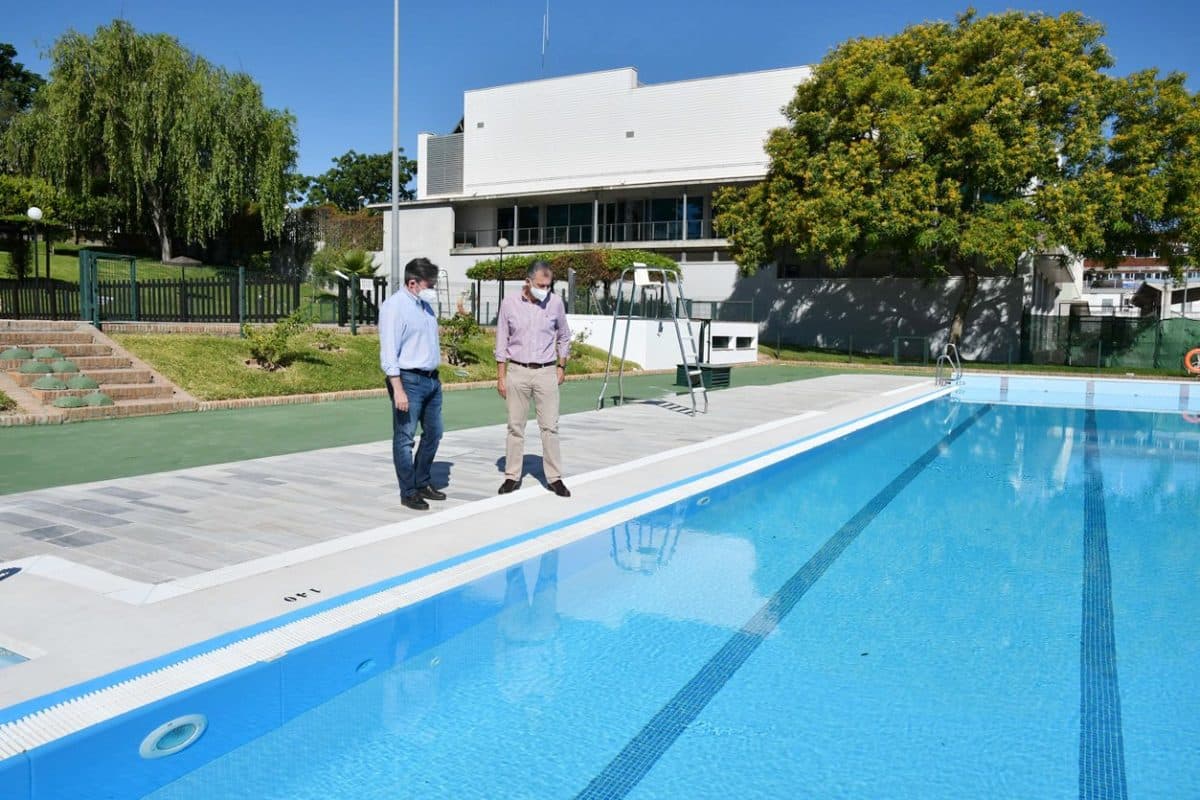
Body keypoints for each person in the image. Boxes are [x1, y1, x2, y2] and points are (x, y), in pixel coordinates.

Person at [494, 260, 572, 497]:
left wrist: (561, 365)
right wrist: (501, 376)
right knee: (515, 427)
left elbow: (565, 336)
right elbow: (501, 339)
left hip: (546, 372)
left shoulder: (555, 303)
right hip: (517, 371)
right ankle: (511, 476)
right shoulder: (509, 304)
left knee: (550, 426)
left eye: (548, 285)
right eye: (541, 285)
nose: (545, 290)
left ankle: (554, 478)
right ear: (527, 281)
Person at [379, 257, 445, 511]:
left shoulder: (425, 307)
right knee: (405, 438)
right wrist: (398, 388)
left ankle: (422, 481)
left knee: (435, 433)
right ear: (413, 282)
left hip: (431, 380)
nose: (433, 289)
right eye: (430, 284)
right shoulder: (395, 307)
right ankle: (408, 491)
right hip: (408, 380)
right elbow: (389, 351)